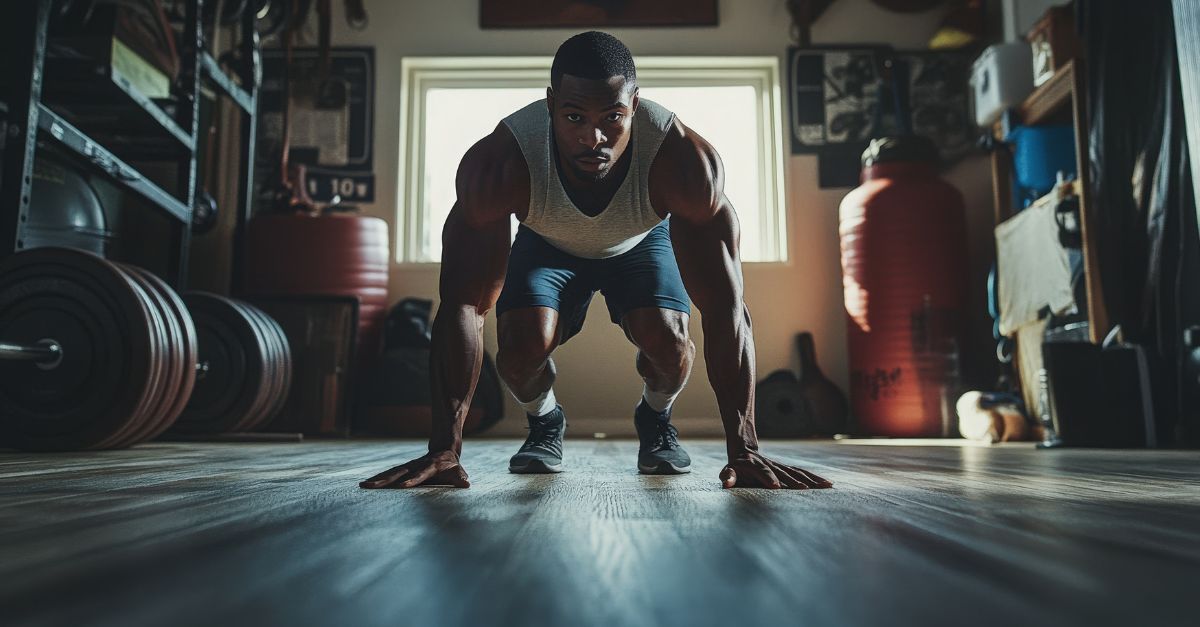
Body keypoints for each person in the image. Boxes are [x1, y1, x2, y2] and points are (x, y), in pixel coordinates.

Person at [361, 31, 832, 490]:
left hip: (640, 242)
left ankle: (656, 418)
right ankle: (545, 421)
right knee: (521, 349)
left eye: (612, 117)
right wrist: (444, 447)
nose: (594, 138)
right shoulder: (501, 165)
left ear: (635, 105)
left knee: (669, 342)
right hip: (546, 244)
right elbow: (462, 307)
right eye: (573, 117)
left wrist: (744, 448)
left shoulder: (684, 165)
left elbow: (728, 309)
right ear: (549, 104)